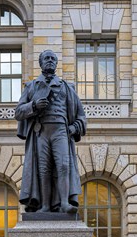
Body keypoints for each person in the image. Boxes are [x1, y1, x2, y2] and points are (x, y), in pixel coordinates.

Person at [15, 50, 86, 214]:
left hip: (61, 131)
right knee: (43, 168)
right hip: (41, 132)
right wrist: (33, 106)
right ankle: (45, 205)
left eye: (53, 59)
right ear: (40, 63)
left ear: (56, 63)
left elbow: (81, 116)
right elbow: (18, 112)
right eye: (46, 58)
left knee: (63, 166)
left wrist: (73, 128)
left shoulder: (67, 87)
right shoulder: (31, 87)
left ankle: (64, 203)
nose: (50, 61)